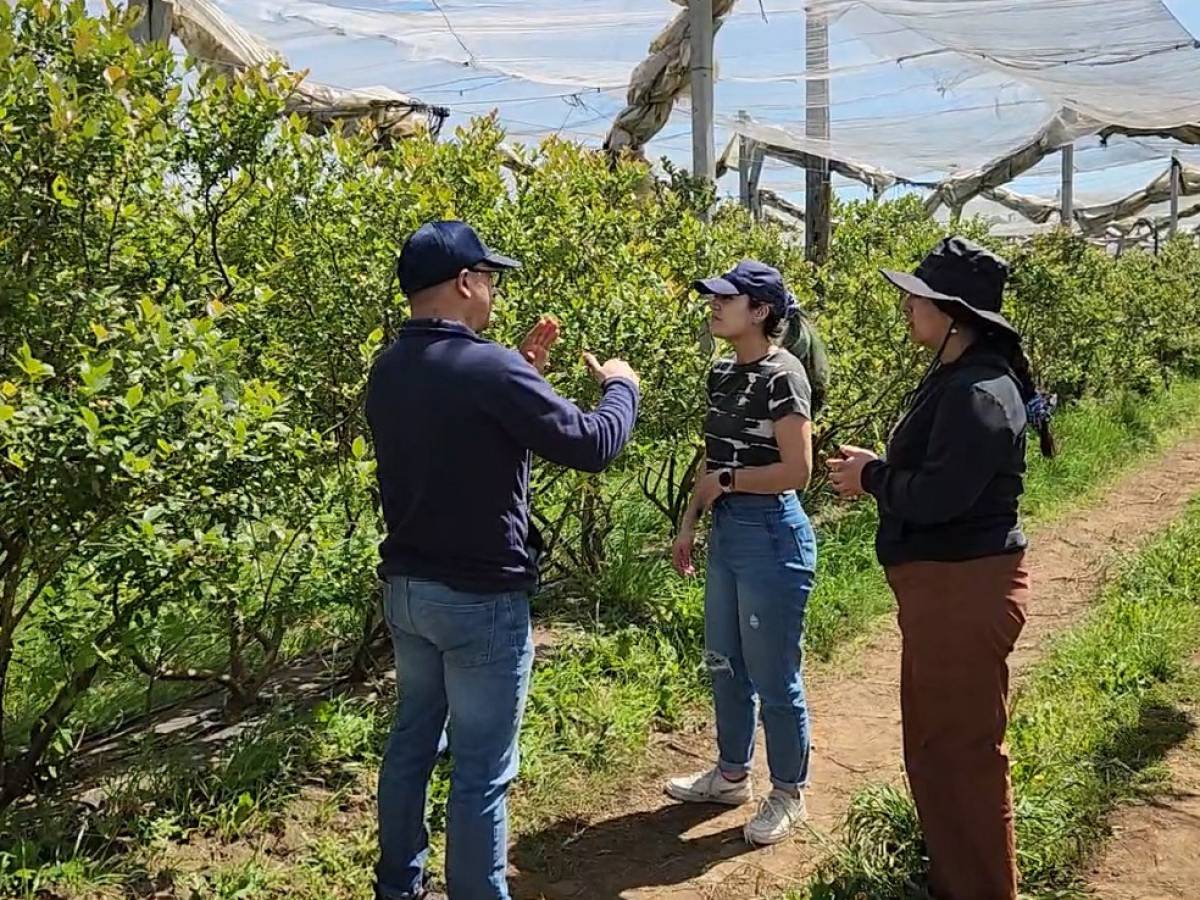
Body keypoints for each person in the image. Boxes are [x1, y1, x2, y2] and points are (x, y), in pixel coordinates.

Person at [366, 220, 641, 900]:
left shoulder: (391, 365)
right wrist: (621, 387)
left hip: (407, 591)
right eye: (488, 277)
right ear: (464, 282)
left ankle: (398, 887)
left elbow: (457, 436)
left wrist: (520, 375)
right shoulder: (488, 368)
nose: (491, 289)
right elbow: (591, 445)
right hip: (479, 601)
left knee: (411, 744)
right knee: (482, 770)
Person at [828, 236, 1056, 900]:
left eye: (918, 297)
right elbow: (939, 478)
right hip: (946, 590)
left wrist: (872, 476)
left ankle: (982, 888)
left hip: (962, 590)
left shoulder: (980, 392)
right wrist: (880, 469)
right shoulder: (962, 377)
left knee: (961, 756)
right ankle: (957, 879)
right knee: (938, 748)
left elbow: (939, 498)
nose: (907, 306)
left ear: (953, 314)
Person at [666, 260, 818, 846]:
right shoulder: (723, 373)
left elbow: (797, 471)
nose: (714, 306)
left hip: (772, 536)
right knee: (724, 663)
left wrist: (725, 483)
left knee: (774, 674)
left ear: (761, 311)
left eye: (726, 299)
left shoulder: (784, 375)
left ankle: (788, 791)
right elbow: (711, 459)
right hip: (728, 534)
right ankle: (731, 775)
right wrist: (689, 522)